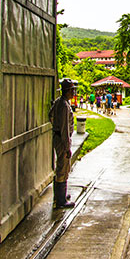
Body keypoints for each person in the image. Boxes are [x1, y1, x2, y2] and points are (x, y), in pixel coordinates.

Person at [49, 78, 77, 209]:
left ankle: (61, 195)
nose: (74, 93)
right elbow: (65, 128)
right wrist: (67, 147)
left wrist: (55, 125)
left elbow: (50, 115)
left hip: (57, 136)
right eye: (72, 90)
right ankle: (60, 200)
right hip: (62, 139)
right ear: (68, 91)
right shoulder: (65, 106)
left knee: (61, 165)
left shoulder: (58, 102)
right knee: (63, 167)